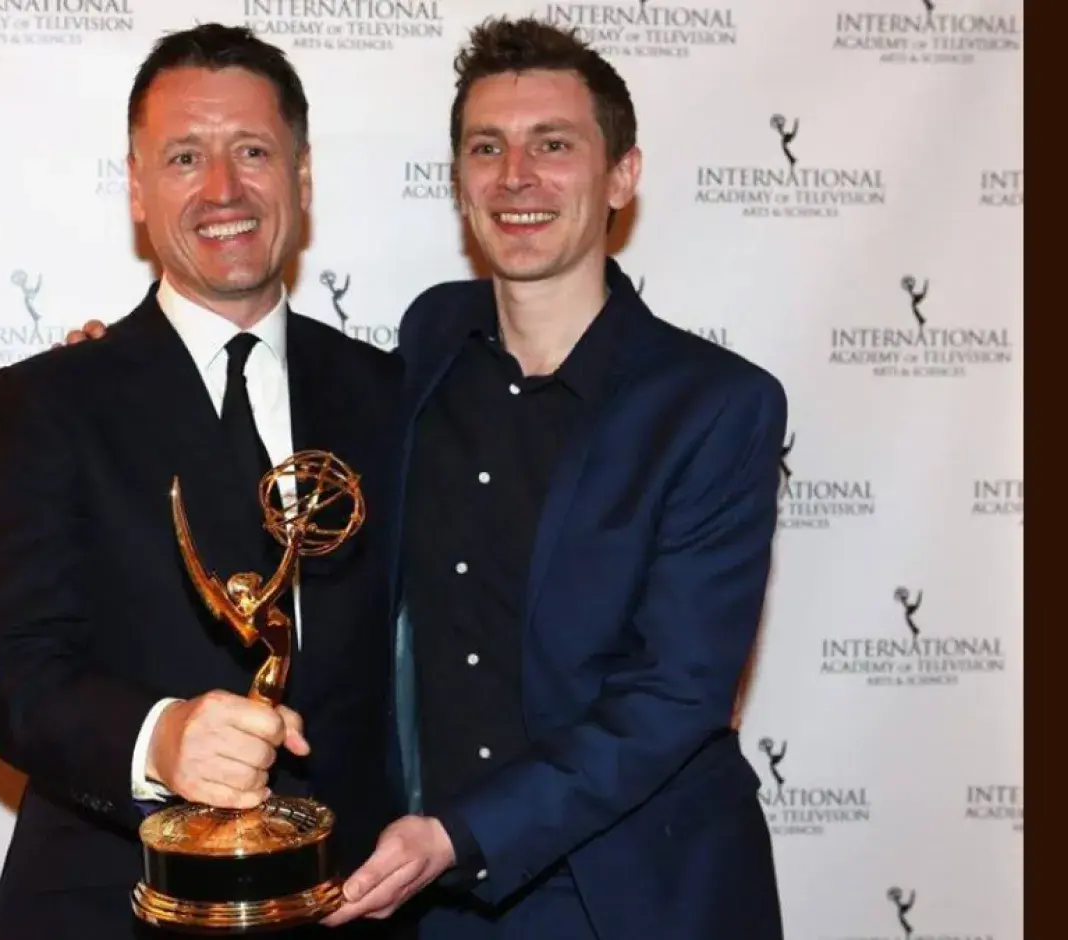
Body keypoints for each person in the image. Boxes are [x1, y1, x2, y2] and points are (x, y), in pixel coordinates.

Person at [62, 16, 788, 940]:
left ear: (622, 176)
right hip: (433, 905)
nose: (516, 176)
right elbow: (274, 478)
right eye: (487, 147)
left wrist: (460, 834)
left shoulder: (717, 407)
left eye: (553, 145)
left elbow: (678, 694)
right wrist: (125, 374)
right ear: (460, 182)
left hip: (634, 894)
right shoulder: (421, 352)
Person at [0, 23, 410, 939]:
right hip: (114, 903)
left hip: (347, 903)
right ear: (135, 186)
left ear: (302, 174)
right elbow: (6, 671)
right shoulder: (53, 400)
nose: (223, 189)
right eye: (184, 157)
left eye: (252, 151)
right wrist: (158, 737)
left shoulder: (393, 396)